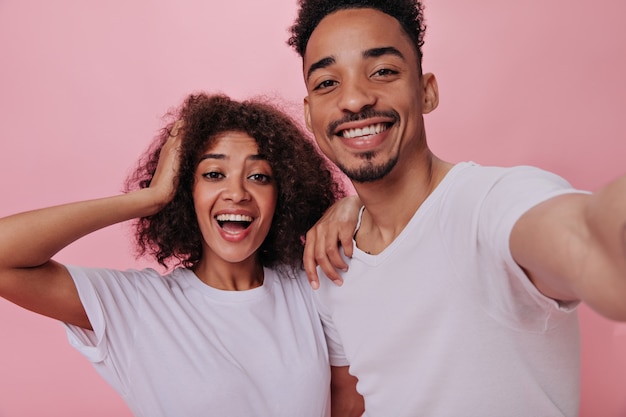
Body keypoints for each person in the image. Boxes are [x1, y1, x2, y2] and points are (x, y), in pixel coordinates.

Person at [286, 1, 626, 416]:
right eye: (326, 83)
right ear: (309, 113)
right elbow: (352, 401)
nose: (354, 99)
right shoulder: (332, 259)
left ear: (426, 91)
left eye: (383, 71)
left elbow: (589, 238)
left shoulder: (489, 204)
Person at [0, 92, 345, 417]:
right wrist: (151, 199)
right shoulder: (138, 306)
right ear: (185, 192)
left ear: (283, 193)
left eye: (259, 176)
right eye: (213, 174)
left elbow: (352, 405)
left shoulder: (311, 285)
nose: (237, 193)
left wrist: (349, 206)